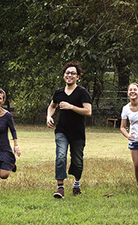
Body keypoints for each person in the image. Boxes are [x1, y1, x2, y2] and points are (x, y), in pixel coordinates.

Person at [46, 61, 92, 198]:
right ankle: (60, 188)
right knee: (60, 156)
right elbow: (52, 106)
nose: (69, 75)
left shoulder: (82, 92)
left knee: (77, 161)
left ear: (78, 76)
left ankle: (76, 183)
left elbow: (88, 111)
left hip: (77, 132)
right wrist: (49, 116)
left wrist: (71, 107)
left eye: (73, 73)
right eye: (67, 72)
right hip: (62, 130)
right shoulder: (58, 93)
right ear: (63, 75)